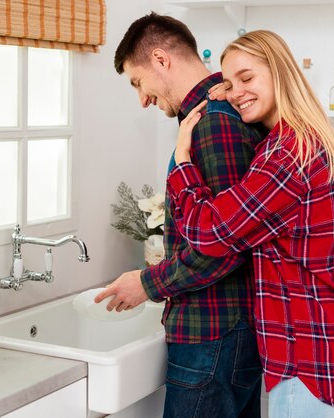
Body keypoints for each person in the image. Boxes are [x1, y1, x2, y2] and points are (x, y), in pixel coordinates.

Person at [168, 30, 334, 418]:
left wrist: (182, 158)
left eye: (247, 78)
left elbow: (211, 232)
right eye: (228, 83)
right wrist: (226, 94)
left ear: (279, 74)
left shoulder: (288, 154)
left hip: (307, 359)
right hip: (320, 349)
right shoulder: (295, 139)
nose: (236, 91)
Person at [94, 13, 267, 418]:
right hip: (227, 333)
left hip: (214, 334)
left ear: (160, 58)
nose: (142, 99)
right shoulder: (213, 116)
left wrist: (148, 284)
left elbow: (226, 245)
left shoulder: (213, 124)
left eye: (138, 82)